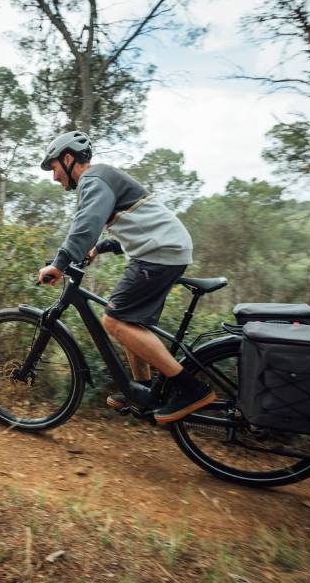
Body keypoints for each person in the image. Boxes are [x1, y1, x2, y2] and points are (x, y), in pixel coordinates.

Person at [37, 131, 216, 424]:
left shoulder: (93, 180)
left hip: (160, 252)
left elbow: (88, 222)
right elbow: (137, 219)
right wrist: (102, 247)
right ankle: (144, 391)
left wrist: (60, 262)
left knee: (114, 320)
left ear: (68, 159)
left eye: (54, 168)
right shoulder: (104, 178)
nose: (55, 177)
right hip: (163, 249)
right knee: (128, 321)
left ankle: (190, 388)